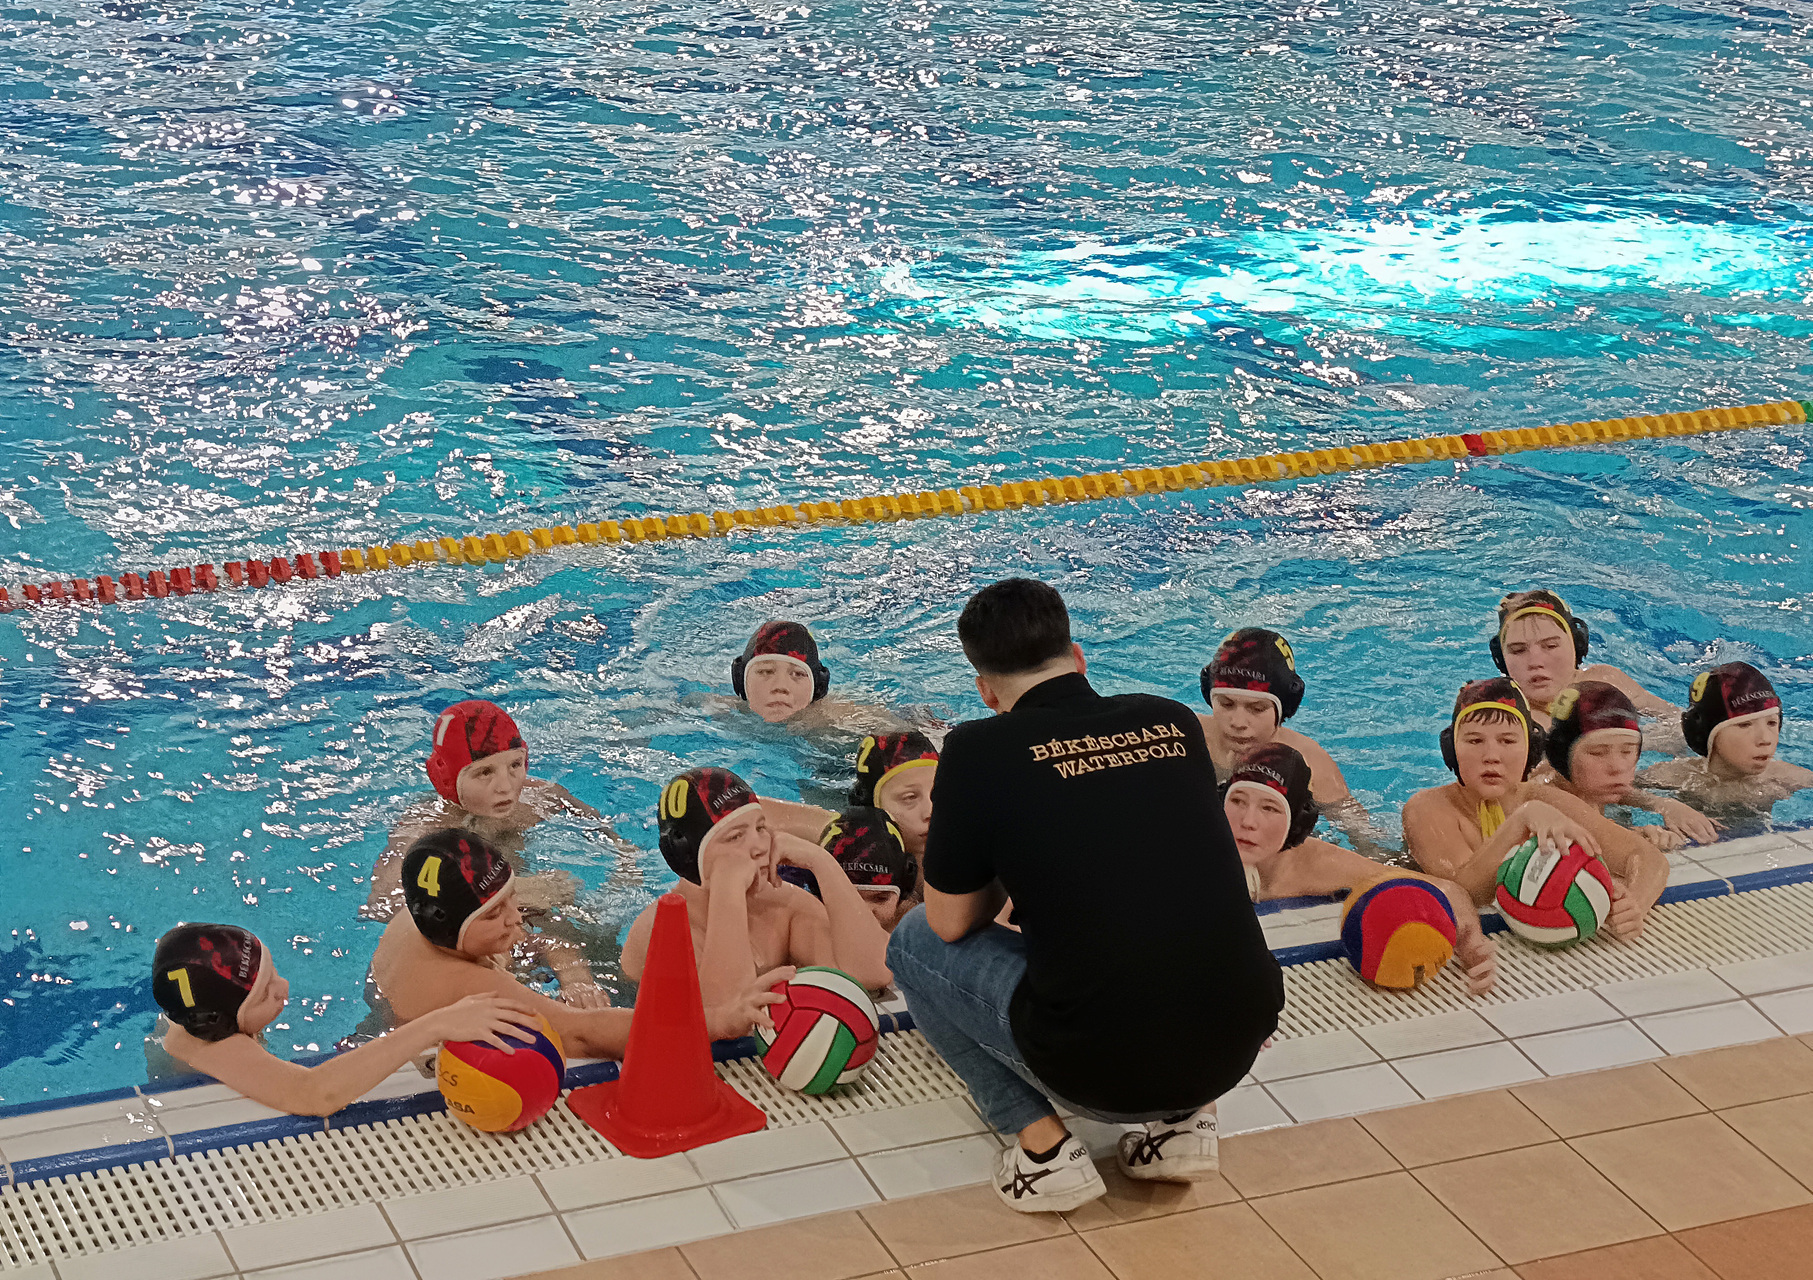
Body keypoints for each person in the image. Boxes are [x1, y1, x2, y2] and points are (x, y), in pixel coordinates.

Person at [889, 578, 1283, 1214]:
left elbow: (950, 921)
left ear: (985, 690)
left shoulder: (977, 750)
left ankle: (1044, 1153)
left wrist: (1011, 864)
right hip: (1239, 1042)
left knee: (911, 943)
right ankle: (1183, 1126)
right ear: (1077, 657)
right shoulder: (1172, 719)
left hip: (1100, 1073)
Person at [369, 830, 786, 1048]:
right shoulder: (464, 983)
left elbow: (536, 942)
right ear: (449, 928)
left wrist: (573, 974)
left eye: (511, 898)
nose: (516, 917)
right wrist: (717, 1021)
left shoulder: (426, 917)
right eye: (495, 914)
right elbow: (580, 1034)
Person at [362, 700, 621, 1003]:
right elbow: (385, 905)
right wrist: (516, 891)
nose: (506, 787)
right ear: (447, 777)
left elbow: (606, 832)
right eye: (484, 772)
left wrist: (626, 868)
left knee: (601, 945)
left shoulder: (536, 800)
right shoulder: (426, 830)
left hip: (517, 922)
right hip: (476, 934)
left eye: (515, 766)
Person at [152, 921, 543, 1117]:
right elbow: (314, 1095)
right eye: (266, 993)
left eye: (274, 974)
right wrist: (436, 1024)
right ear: (220, 1023)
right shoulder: (214, 1047)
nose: (284, 988)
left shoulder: (200, 1010)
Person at [1401, 678, 1668, 940]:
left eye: (1507, 741)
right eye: (1474, 741)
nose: (1491, 756)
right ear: (1451, 749)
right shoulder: (1426, 809)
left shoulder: (1544, 799)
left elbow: (1647, 858)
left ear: (1531, 748)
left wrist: (1634, 904)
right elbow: (1461, 893)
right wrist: (1522, 820)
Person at [1226, 744, 1497, 994]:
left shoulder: (1315, 863)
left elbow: (1447, 890)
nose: (1248, 821)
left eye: (1269, 808)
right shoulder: (1207, 852)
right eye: (1237, 801)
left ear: (1297, 821)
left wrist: (1472, 942)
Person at [620, 768, 893, 1003]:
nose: (760, 846)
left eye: (761, 828)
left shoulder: (782, 904)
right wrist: (729, 891)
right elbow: (725, 1016)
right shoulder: (663, 927)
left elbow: (874, 973)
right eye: (735, 837)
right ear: (688, 856)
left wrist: (821, 862)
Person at [1197, 628, 1385, 855]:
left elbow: (1365, 839)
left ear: (1285, 707)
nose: (1238, 722)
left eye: (1257, 708)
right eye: (1226, 704)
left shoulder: (1309, 763)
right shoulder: (1187, 737)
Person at [1544, 682, 1719, 849]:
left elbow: (1622, 793)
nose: (1617, 767)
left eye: (1627, 751)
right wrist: (1635, 839)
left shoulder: (1592, 791)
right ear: (1560, 757)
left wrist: (1665, 805)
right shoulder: (1549, 807)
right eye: (1598, 753)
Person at [1643, 662, 1812, 816]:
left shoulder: (1783, 777)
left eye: (1772, 723)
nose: (1765, 739)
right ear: (1707, 734)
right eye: (1744, 725)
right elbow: (1628, 794)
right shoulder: (1675, 777)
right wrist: (1662, 805)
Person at [1490, 590, 1676, 728]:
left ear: (1576, 646)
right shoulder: (1503, 717)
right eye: (1518, 650)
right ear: (1501, 659)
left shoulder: (1606, 682)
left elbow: (1676, 721)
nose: (1535, 662)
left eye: (1551, 646)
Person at [818, 807, 918, 930]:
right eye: (845, 897)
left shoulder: (919, 929)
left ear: (904, 893)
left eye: (880, 899)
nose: (864, 913)